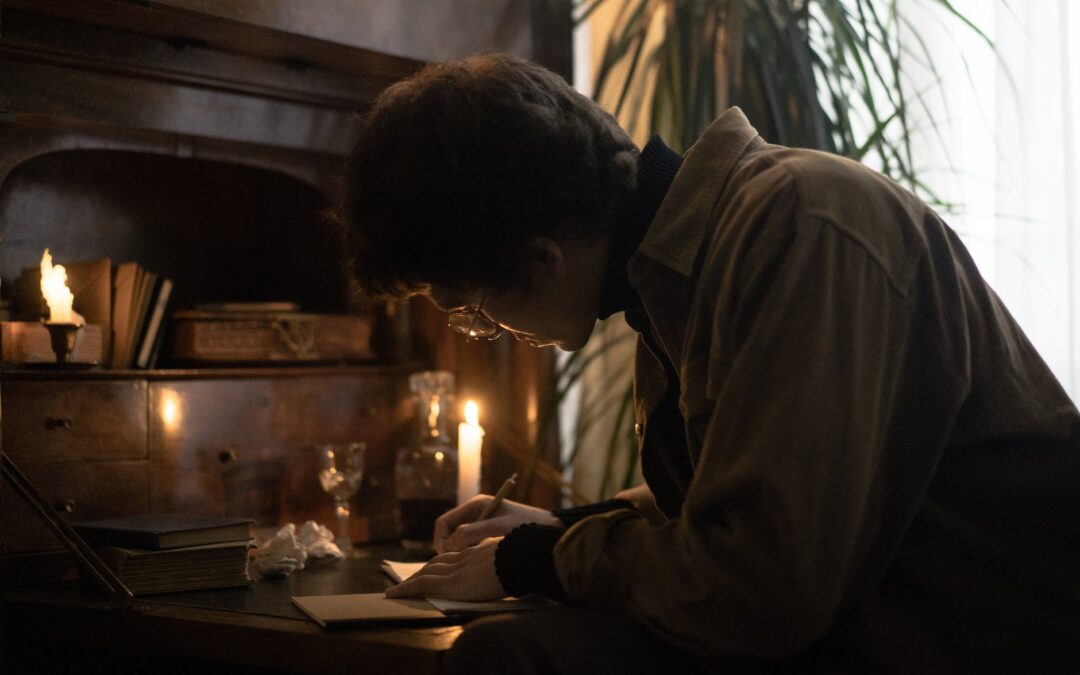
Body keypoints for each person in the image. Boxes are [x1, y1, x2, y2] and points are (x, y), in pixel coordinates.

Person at [341, 53, 1080, 673]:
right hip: (867, 620)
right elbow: (756, 486)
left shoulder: (797, 224)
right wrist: (565, 525)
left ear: (541, 257)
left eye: (470, 308)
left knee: (505, 657)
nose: (490, 328)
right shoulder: (677, 274)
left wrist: (543, 559)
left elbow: (759, 591)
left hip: (965, 639)